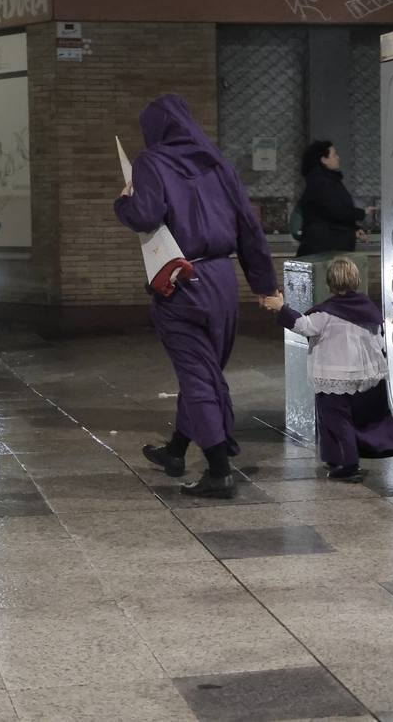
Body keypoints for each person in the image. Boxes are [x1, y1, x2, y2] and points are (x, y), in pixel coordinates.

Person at [115, 94, 279, 499]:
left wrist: (123, 201)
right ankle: (175, 452)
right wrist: (263, 284)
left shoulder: (152, 163)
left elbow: (145, 215)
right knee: (205, 371)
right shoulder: (216, 162)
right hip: (223, 278)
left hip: (182, 280)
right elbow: (248, 224)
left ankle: (219, 471)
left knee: (197, 375)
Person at [263, 257, 393, 481]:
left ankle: (349, 464)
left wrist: (281, 307)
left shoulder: (327, 313)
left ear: (329, 284)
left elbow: (303, 326)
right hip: (362, 376)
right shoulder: (368, 309)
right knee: (352, 418)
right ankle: (339, 457)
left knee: (336, 420)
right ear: (356, 280)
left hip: (332, 376)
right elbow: (379, 341)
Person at [295, 140, 367, 257]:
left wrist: (353, 228)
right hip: (323, 252)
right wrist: (362, 213)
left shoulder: (326, 180)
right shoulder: (321, 182)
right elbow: (337, 210)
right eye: (334, 155)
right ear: (323, 159)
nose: (338, 158)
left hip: (327, 248)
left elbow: (330, 216)